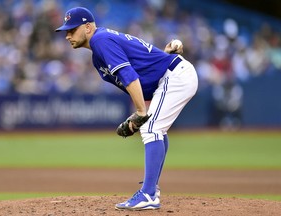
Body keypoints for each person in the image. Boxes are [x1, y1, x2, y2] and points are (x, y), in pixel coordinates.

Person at [55, 7, 198, 211]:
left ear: (87, 27)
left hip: (176, 76)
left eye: (72, 29)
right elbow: (136, 72)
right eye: (66, 31)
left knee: (151, 128)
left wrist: (141, 113)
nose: (67, 35)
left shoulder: (100, 40)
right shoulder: (98, 54)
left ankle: (148, 194)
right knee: (155, 128)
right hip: (170, 75)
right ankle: (151, 189)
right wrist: (162, 57)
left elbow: (130, 76)